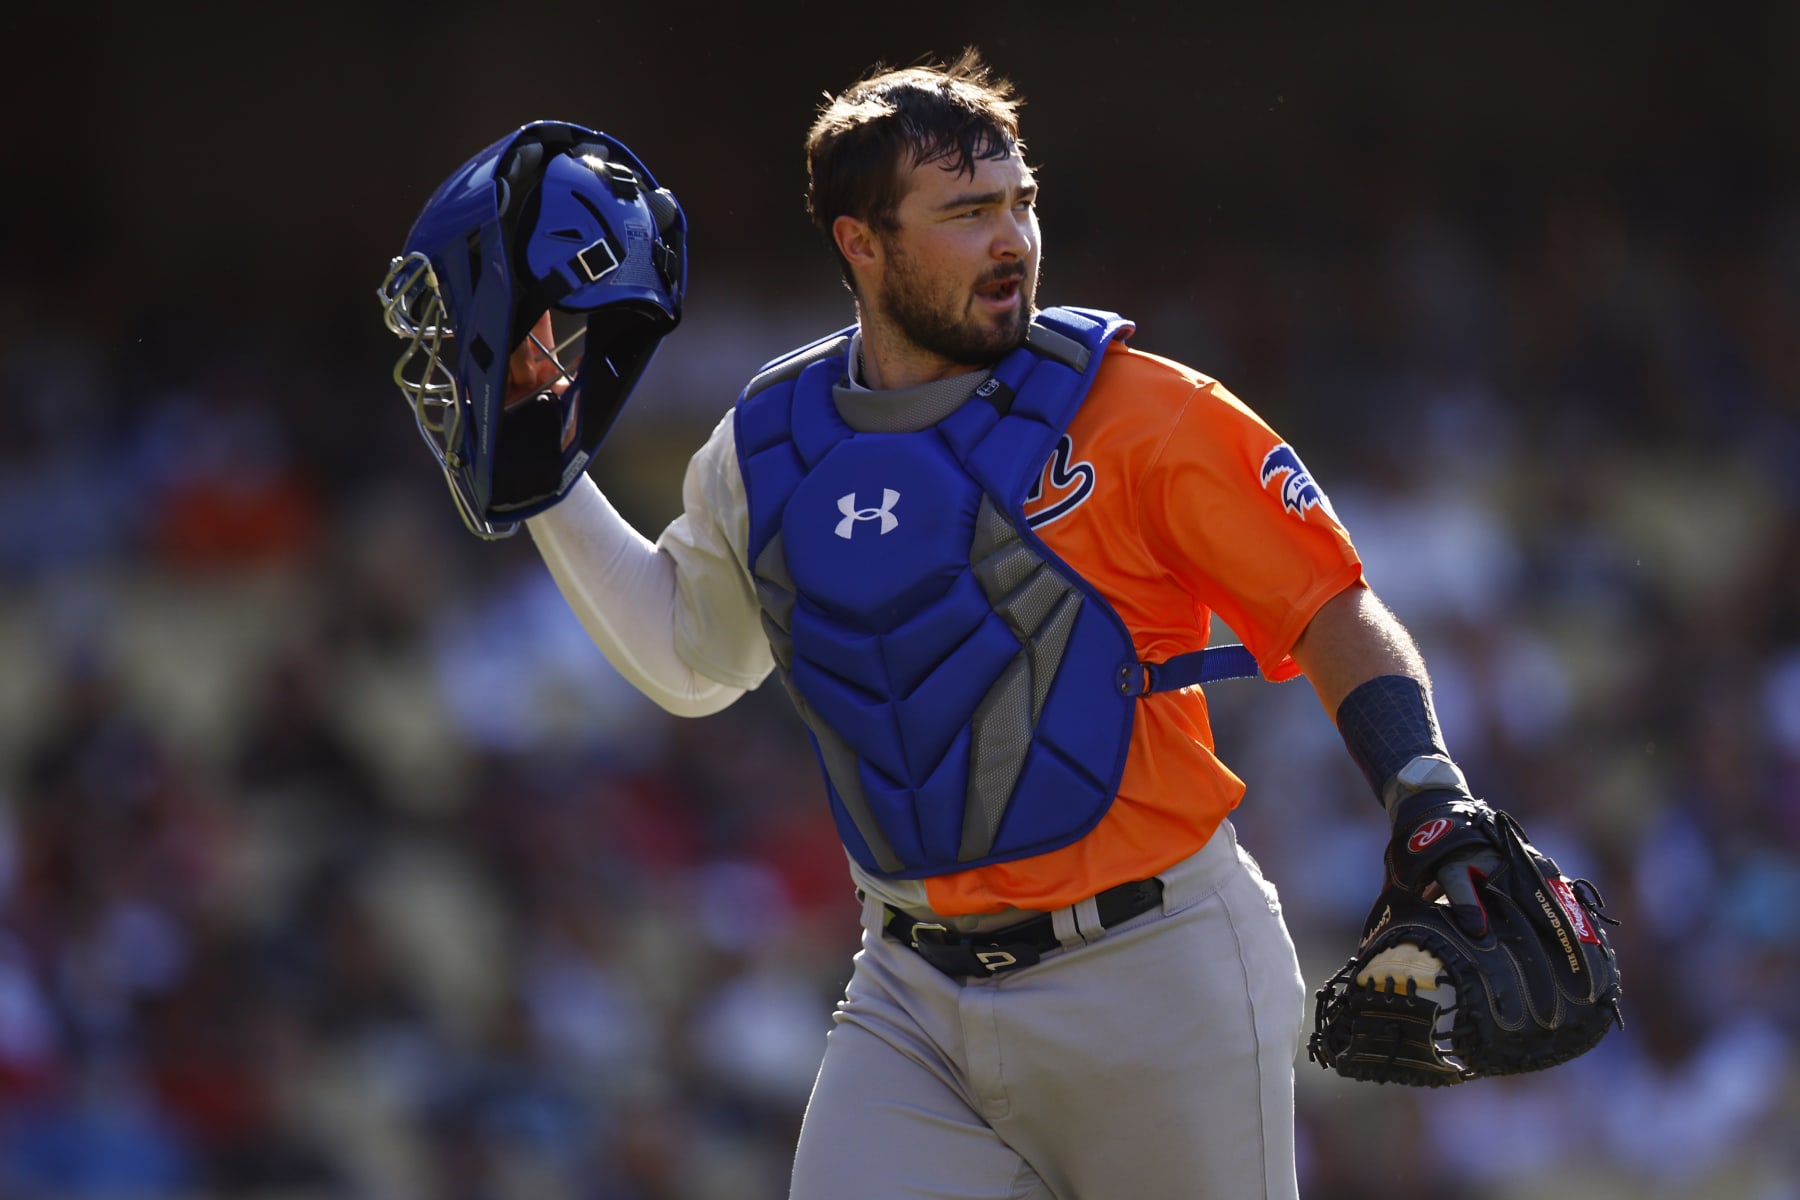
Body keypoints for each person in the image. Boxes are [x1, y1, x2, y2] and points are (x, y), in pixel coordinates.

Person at [410, 51, 1501, 1200]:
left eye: (1021, 204)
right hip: (911, 996)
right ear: (860, 244)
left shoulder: (1140, 407)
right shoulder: (769, 438)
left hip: (1156, 970)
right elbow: (693, 660)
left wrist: (1427, 789)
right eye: (969, 213)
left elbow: (1329, 603)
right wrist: (551, 470)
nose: (1014, 240)